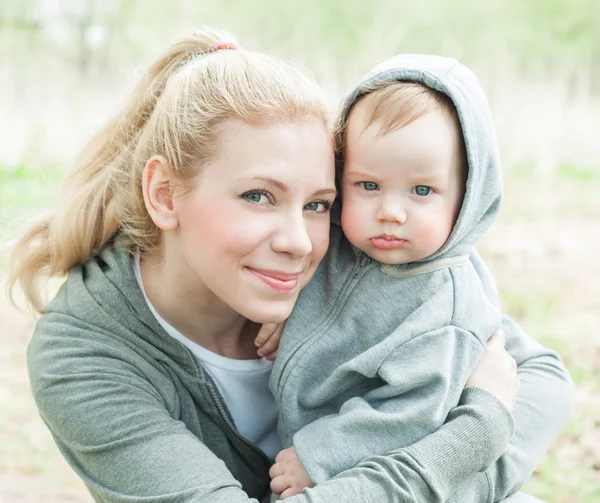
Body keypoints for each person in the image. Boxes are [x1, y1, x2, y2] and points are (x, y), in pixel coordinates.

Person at [7, 30, 571, 503]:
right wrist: (476, 435)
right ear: (163, 193)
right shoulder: (83, 355)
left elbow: (539, 376)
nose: (300, 243)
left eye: (318, 204)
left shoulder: (360, 265)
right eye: (258, 196)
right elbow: (501, 401)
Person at [264, 55, 574, 502]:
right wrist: (289, 307)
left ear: (465, 197)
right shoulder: (336, 245)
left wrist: (320, 456)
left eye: (422, 191)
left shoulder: (445, 306)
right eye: (367, 185)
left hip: (369, 470)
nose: (390, 211)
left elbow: (410, 413)